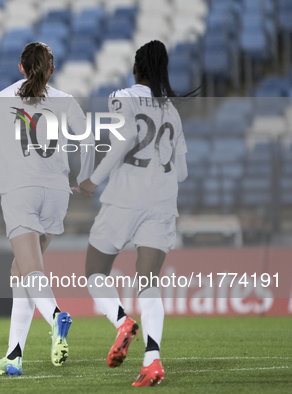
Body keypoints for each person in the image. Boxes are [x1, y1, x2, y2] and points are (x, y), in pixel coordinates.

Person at [0, 42, 95, 376]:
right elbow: (88, 142)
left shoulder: (2, 98)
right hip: (57, 192)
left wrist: (5, 145)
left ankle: (56, 316)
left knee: (31, 271)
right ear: (51, 69)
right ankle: (14, 356)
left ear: (20, 67)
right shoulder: (65, 100)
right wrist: (85, 179)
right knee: (21, 273)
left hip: (19, 192)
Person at [76, 40, 188, 387]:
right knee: (149, 282)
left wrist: (93, 180)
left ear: (137, 67)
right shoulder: (171, 110)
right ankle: (153, 360)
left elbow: (122, 141)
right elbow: (182, 171)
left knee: (94, 270)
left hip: (126, 198)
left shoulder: (121, 96)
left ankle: (123, 322)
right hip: (163, 201)